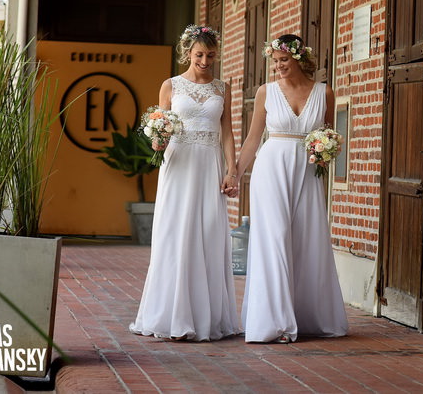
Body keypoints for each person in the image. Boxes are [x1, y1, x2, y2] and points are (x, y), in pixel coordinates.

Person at [225, 34, 348, 343]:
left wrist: (326, 151)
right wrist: (235, 173)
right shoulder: (266, 92)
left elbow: (329, 134)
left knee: (307, 239)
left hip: (307, 172)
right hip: (271, 168)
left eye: (284, 60)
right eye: (275, 61)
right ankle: (276, 322)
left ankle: (308, 316)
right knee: (275, 239)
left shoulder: (324, 92)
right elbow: (253, 139)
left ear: (299, 59)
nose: (278, 66)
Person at [130, 24, 241, 341]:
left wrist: (232, 170)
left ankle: (206, 317)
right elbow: (159, 123)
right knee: (176, 233)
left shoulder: (223, 89)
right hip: (178, 164)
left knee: (207, 231)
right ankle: (171, 314)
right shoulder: (171, 85)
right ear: (188, 53)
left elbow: (228, 132)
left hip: (209, 165)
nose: (205, 61)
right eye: (199, 55)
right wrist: (157, 139)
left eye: (210, 55)